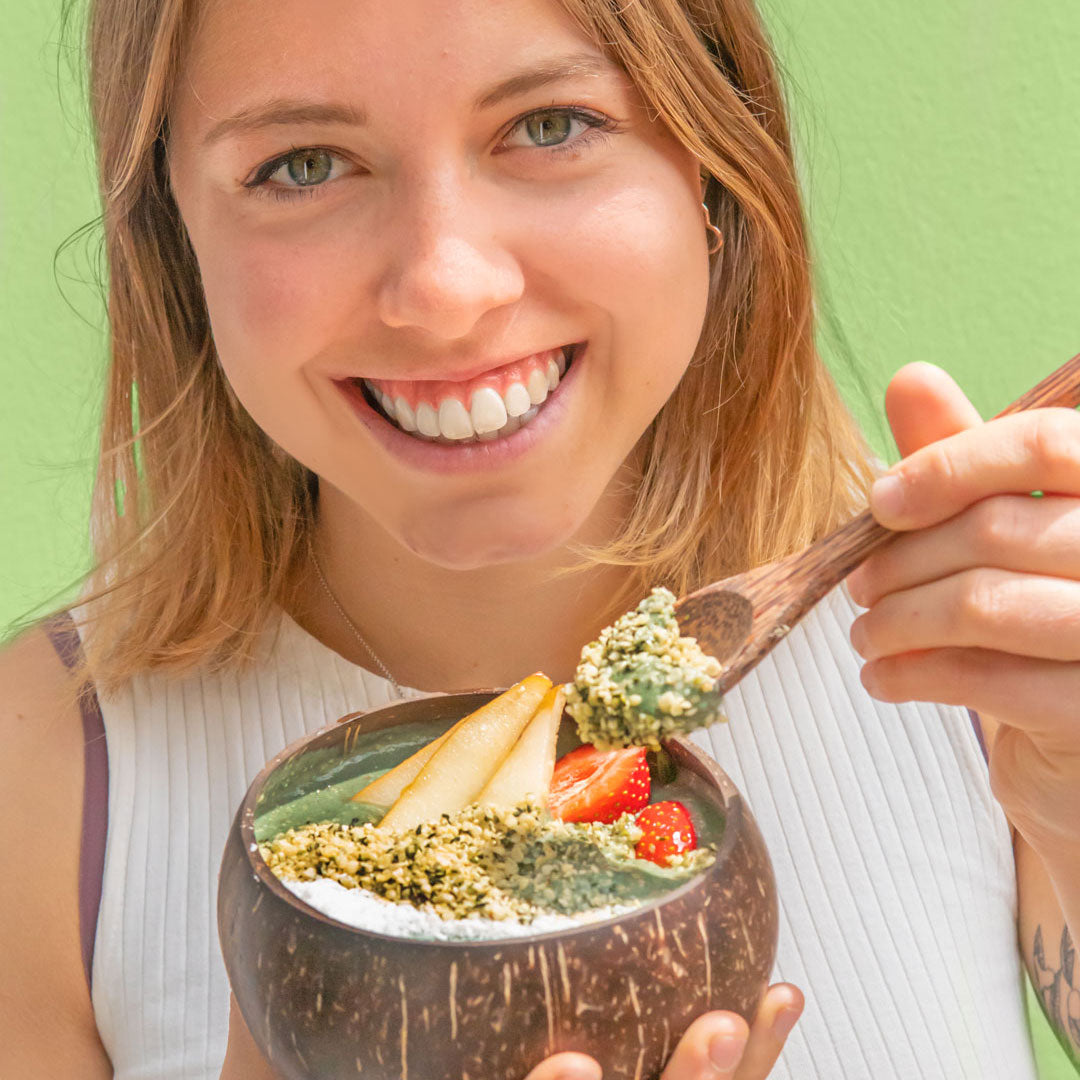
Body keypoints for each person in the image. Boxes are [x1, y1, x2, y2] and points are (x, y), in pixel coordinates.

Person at [2, 0, 1078, 1076]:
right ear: (173, 233)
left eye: (551, 126)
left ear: (712, 165)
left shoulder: (984, 654)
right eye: (305, 164)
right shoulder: (39, 781)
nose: (445, 290)